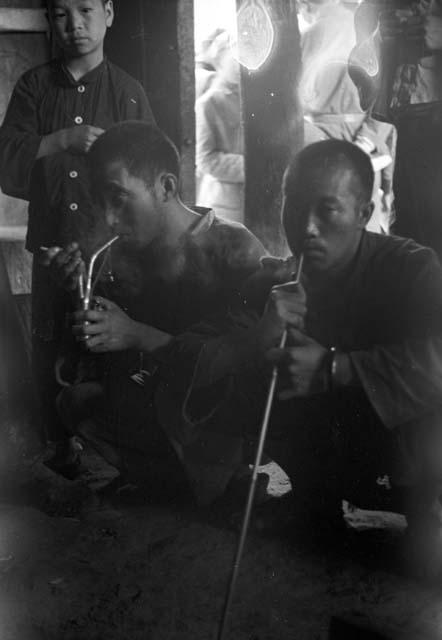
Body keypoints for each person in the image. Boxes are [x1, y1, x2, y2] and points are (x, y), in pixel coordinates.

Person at [159, 138, 442, 574]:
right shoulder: (276, 282)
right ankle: (314, 502)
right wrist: (258, 336)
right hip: (331, 452)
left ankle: (426, 515)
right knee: (237, 373)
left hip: (402, 457)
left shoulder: (411, 269)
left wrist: (335, 368)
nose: (306, 227)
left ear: (364, 215)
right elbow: (188, 351)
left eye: (327, 210)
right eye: (294, 208)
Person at [46, 121, 266, 500]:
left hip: (215, 415)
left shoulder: (234, 248)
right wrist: (77, 292)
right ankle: (174, 483)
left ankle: (218, 479)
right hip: (162, 407)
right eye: (101, 202)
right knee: (74, 402)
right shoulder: (117, 256)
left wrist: (134, 333)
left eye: (119, 198)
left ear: (165, 187)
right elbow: (95, 360)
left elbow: (250, 361)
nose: (110, 220)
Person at [0, 0, 154, 458]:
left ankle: (122, 455)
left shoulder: (128, 93)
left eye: (86, 10)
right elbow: (6, 161)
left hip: (113, 252)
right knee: (52, 345)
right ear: (50, 20)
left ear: (109, 13)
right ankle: (60, 451)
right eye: (62, 14)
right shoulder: (34, 87)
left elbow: (152, 175)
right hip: (53, 247)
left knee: (109, 348)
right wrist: (59, 141)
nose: (75, 25)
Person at [351, 0, 442, 257]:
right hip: (413, 124)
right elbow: (362, 69)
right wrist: (381, 37)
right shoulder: (377, 7)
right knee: (413, 224)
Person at [298, 0, 396, 233]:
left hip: (319, 143)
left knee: (323, 224)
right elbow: (386, 93)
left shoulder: (310, 35)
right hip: (366, 139)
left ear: (305, 6)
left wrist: (314, 140)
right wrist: (367, 140)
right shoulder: (370, 29)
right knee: (361, 219)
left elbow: (293, 100)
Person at [195, 31, 245, 224]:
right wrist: (253, 166)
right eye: (234, 57)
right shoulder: (210, 103)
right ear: (221, 60)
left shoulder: (259, 100)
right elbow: (206, 159)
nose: (240, 64)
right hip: (226, 203)